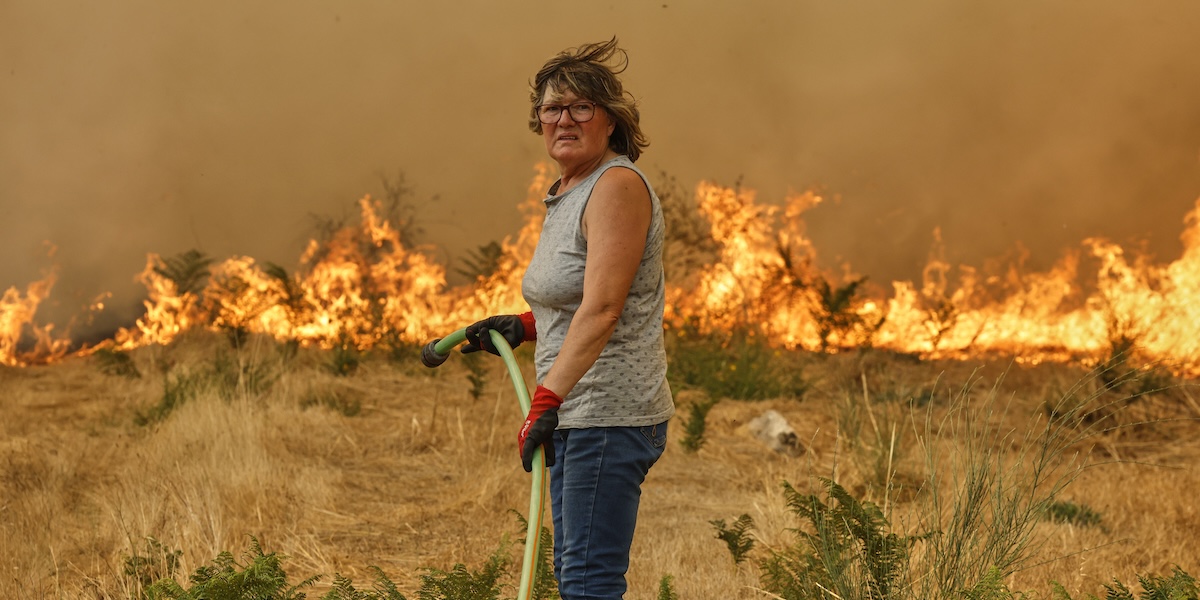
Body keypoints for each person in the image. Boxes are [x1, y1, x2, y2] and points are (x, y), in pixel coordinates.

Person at [459, 38, 674, 599]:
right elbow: (583, 296)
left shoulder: (616, 185)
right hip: (581, 411)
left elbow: (604, 309)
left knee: (585, 582)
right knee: (576, 573)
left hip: (605, 411)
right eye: (552, 108)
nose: (564, 120)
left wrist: (546, 399)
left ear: (611, 120)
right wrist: (525, 326)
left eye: (581, 107)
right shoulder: (570, 189)